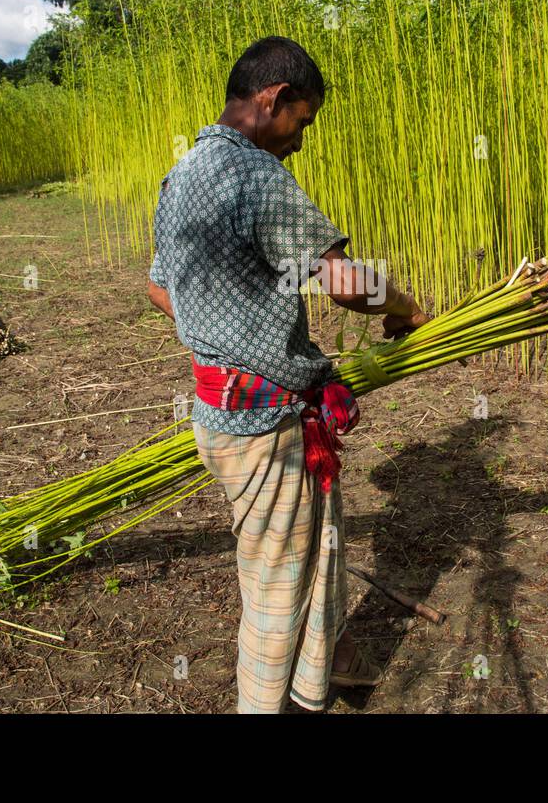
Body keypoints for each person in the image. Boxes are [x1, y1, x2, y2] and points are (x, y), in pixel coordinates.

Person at [146, 35, 430, 713]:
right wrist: (406, 306)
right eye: (301, 122)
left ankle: (311, 691)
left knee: (311, 557)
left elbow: (158, 288)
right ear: (274, 100)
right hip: (265, 426)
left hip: (220, 416)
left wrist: (223, 329)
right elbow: (341, 281)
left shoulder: (182, 174)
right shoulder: (255, 175)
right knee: (275, 589)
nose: (300, 142)